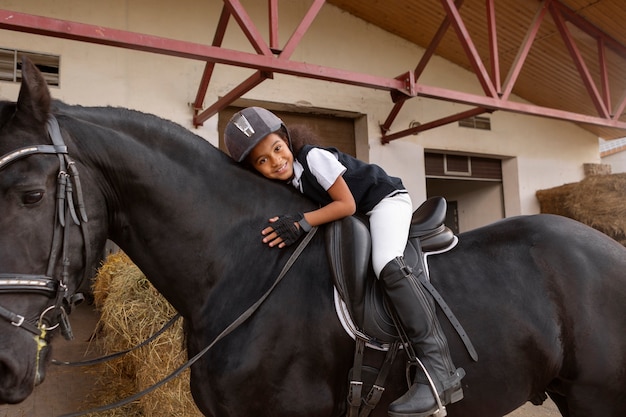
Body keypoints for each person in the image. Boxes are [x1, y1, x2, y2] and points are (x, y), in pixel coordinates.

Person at [224, 107, 464, 417]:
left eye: (277, 148)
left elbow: (346, 204)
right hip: (364, 214)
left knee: (386, 264)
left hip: (384, 201)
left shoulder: (312, 158)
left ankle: (439, 369)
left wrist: (300, 223)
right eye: (262, 160)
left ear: (286, 138)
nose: (275, 161)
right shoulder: (290, 181)